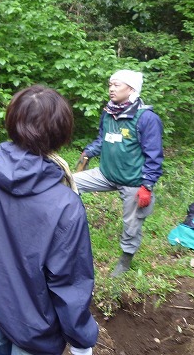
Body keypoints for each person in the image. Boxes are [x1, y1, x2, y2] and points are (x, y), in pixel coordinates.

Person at [0, 85, 98, 355]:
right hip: (37, 323)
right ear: (61, 133)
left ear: (13, 121)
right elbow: (68, 280)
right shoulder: (65, 204)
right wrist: (81, 338)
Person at [74, 69, 163, 277]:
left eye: (116, 85)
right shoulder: (108, 112)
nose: (111, 89)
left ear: (131, 89)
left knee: (131, 224)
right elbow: (102, 139)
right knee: (69, 182)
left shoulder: (146, 118)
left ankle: (125, 259)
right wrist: (89, 152)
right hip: (106, 174)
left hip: (133, 181)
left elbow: (154, 156)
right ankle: (72, 229)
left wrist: (147, 186)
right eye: (110, 85)